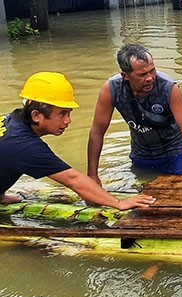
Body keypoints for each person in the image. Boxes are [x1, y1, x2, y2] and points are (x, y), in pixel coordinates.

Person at [0, 72, 155, 209]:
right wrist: (119, 203)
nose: (68, 121)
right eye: (62, 114)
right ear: (36, 115)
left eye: (69, 113)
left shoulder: (13, 120)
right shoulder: (24, 146)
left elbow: (7, 159)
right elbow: (72, 179)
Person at [88, 44, 182, 184]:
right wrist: (92, 175)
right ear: (125, 76)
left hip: (176, 153)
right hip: (142, 154)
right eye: (142, 74)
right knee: (145, 196)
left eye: (152, 71)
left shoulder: (168, 88)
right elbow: (97, 132)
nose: (150, 78)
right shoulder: (111, 90)